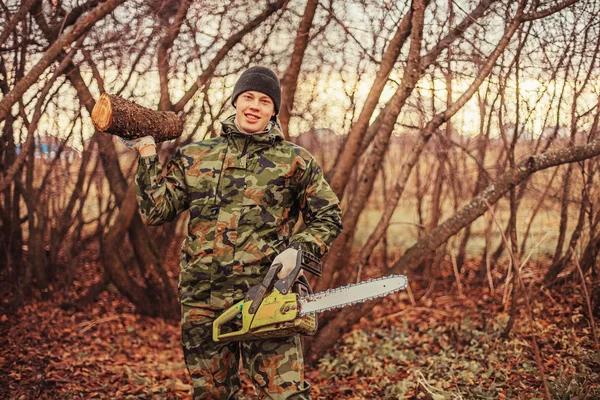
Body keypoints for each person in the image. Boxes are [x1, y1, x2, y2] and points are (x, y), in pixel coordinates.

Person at [120, 66, 343, 399]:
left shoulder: (295, 161)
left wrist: (299, 249)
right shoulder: (196, 155)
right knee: (212, 395)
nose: (254, 106)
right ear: (236, 100)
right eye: (248, 97)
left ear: (273, 110)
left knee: (287, 395)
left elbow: (328, 215)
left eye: (265, 101)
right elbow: (156, 211)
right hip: (203, 301)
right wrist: (147, 152)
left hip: (267, 297)